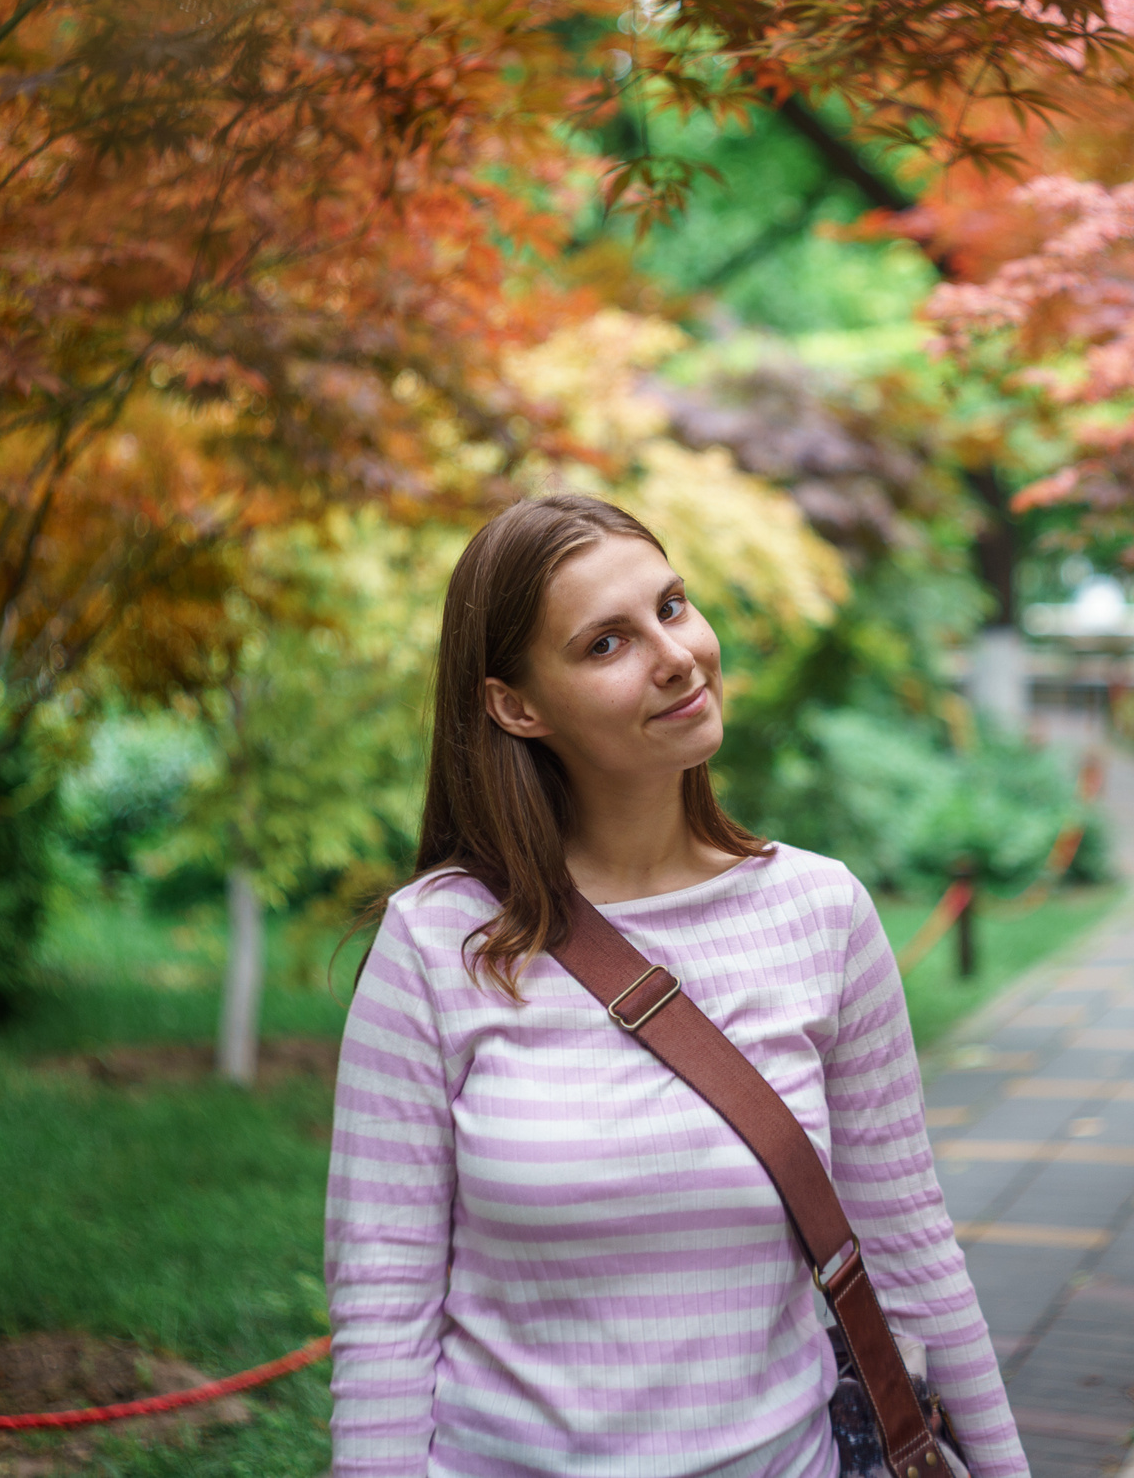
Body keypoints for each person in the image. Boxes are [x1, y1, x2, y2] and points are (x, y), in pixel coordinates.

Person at [325, 493, 1027, 1478]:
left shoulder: (820, 912)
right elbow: (383, 1316)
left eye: (672, 605)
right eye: (605, 643)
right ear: (516, 706)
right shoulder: (439, 942)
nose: (675, 654)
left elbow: (910, 1250)